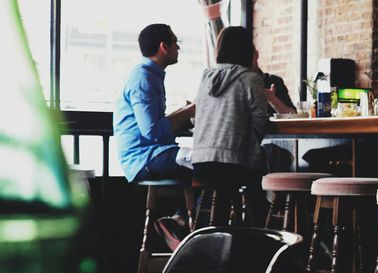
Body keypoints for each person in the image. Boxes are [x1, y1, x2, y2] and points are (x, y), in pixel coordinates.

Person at [114, 23, 196, 249]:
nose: (178, 47)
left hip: (152, 153)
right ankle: (180, 222)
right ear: (164, 46)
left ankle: (178, 221)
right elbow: (151, 130)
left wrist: (183, 112)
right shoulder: (143, 78)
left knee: (208, 163)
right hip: (144, 157)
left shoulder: (150, 75)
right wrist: (187, 113)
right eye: (175, 42)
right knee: (209, 163)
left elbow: (154, 124)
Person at [191, 26, 275, 224]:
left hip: (202, 162)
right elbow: (260, 122)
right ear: (247, 49)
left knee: (223, 188)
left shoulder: (206, 77)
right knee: (267, 171)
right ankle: (258, 235)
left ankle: (215, 235)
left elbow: (195, 118)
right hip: (235, 162)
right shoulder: (250, 79)